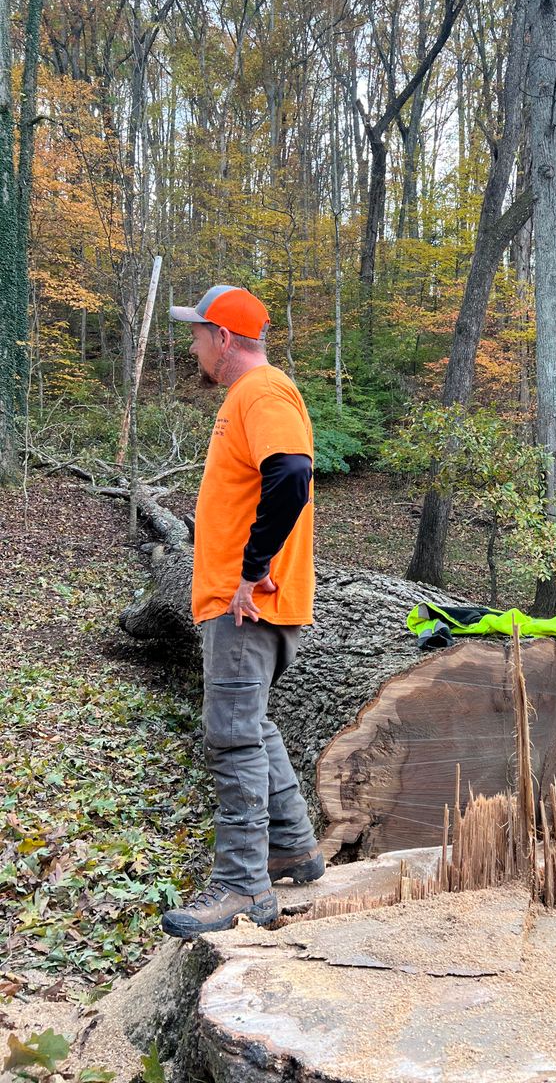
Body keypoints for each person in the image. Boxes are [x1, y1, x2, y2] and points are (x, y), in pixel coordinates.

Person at [162, 284, 324, 938]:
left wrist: (252, 572)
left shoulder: (261, 391)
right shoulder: (249, 396)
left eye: (198, 333)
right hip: (253, 606)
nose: (194, 345)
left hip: (247, 607)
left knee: (231, 737)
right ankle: (293, 849)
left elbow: (292, 473)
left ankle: (242, 886)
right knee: (251, 726)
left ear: (223, 337)